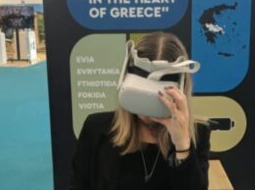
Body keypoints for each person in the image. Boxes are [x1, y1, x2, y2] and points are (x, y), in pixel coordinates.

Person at [69, 32, 210, 189]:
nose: (146, 107)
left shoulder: (196, 134)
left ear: (180, 90)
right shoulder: (97, 128)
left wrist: (182, 145)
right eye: (139, 93)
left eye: (159, 96)